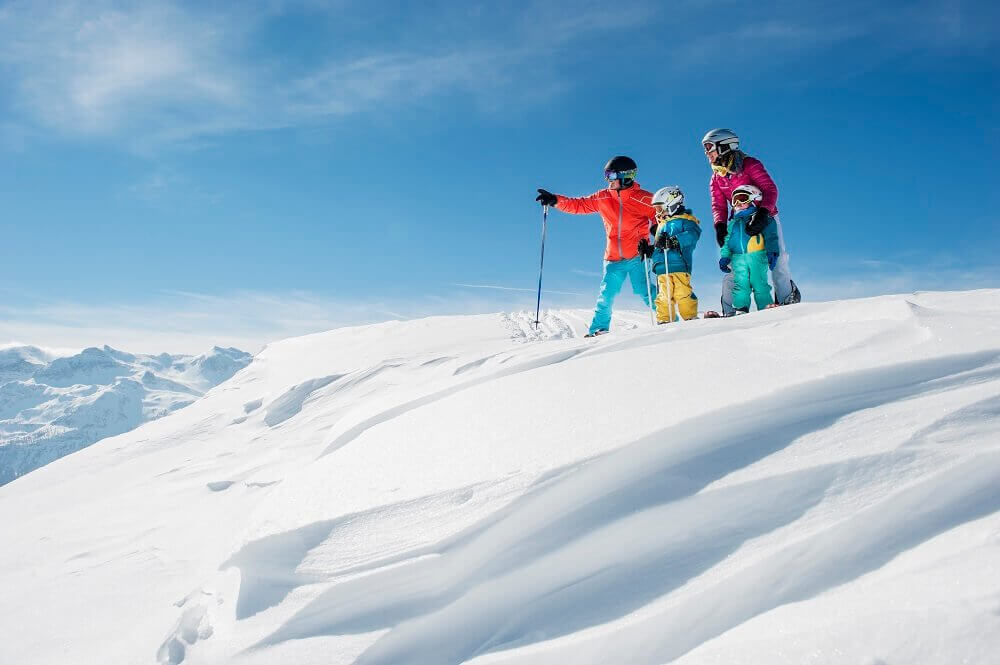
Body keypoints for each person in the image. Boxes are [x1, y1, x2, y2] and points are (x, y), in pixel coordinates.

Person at [536, 156, 656, 337]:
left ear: (626, 176)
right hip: (613, 258)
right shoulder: (603, 196)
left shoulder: (644, 198)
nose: (609, 179)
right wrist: (555, 200)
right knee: (606, 296)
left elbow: (660, 216)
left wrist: (655, 238)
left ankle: (670, 319)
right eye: (607, 175)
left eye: (612, 175)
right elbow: (579, 205)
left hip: (638, 256)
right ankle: (598, 329)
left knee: (645, 291)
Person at [702, 128, 800, 316]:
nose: (707, 153)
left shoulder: (749, 164)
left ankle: (787, 298)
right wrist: (720, 225)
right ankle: (731, 310)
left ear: (724, 146)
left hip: (766, 216)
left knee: (777, 258)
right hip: (739, 225)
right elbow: (718, 205)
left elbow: (770, 189)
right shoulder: (716, 177)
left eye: (709, 148)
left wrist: (763, 213)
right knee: (736, 265)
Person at [637, 186, 701, 322]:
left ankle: (690, 318)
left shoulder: (687, 221)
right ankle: (664, 321)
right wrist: (649, 251)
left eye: (660, 208)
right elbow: (659, 246)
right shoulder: (661, 225)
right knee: (663, 296)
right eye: (656, 209)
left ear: (672, 204)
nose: (657, 212)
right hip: (662, 267)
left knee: (682, 293)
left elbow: (692, 235)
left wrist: (674, 240)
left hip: (679, 265)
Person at [718, 185, 780, 313]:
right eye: (735, 200)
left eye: (742, 198)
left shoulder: (759, 219)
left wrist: (772, 251)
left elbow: (771, 235)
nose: (738, 203)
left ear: (752, 199)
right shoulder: (733, 224)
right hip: (738, 259)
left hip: (757, 256)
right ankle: (741, 307)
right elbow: (727, 242)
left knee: (760, 284)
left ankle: (765, 307)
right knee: (740, 286)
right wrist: (725, 256)